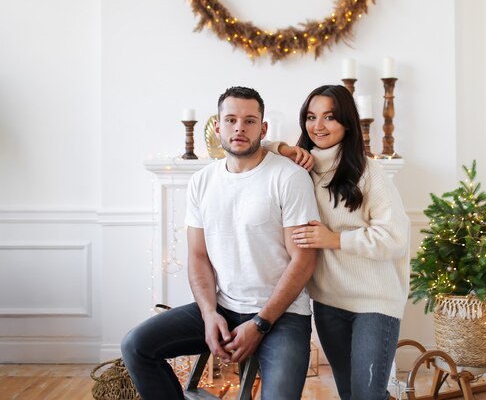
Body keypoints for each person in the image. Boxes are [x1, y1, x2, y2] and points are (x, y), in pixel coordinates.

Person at [121, 86, 320, 400]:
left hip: (282, 317)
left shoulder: (289, 177)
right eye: (231, 119)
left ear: (263, 129)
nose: (239, 127)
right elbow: (198, 256)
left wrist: (261, 323)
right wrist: (209, 313)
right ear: (218, 127)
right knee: (135, 345)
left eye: (250, 120)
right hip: (223, 308)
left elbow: (304, 260)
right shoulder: (202, 181)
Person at [269, 84, 410, 400]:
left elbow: (395, 238)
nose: (318, 126)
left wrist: (335, 240)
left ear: (347, 122)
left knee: (367, 395)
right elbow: (250, 144)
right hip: (328, 303)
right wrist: (284, 149)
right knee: (350, 394)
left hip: (373, 302)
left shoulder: (368, 170)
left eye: (329, 117)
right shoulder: (297, 168)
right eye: (311, 117)